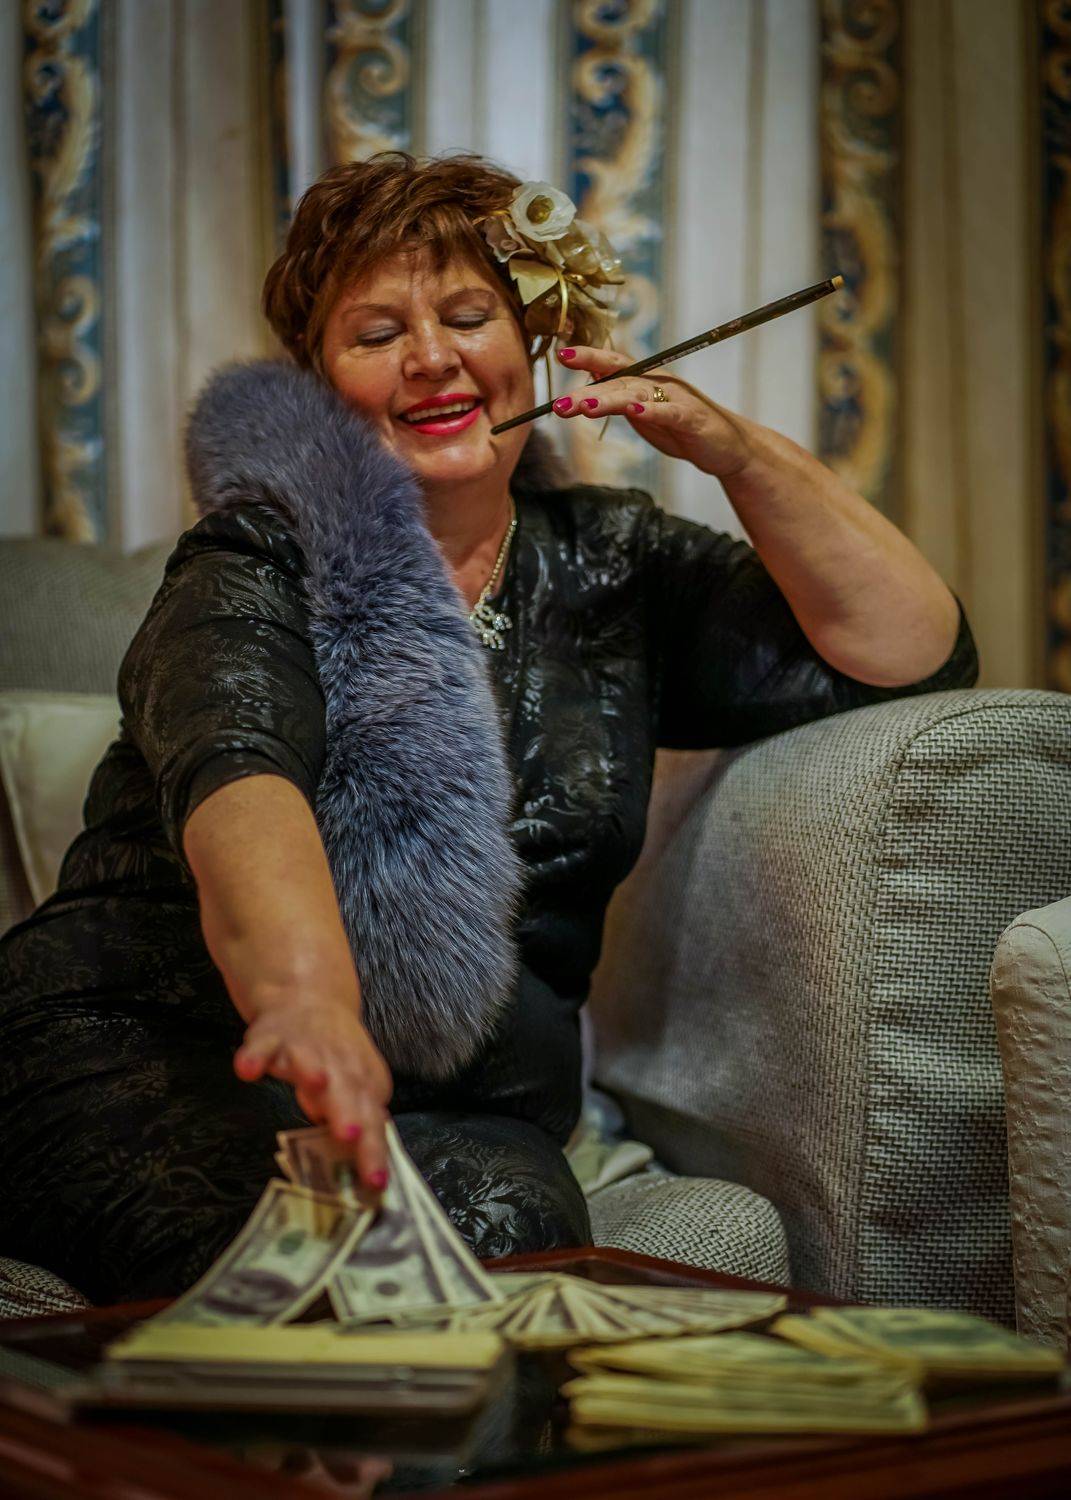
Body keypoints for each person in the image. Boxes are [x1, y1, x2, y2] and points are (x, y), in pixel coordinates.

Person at [0, 152, 978, 1305]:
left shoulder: (614, 562)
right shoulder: (256, 554)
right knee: (305, 1276)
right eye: (377, 333)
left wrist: (733, 451)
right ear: (318, 384)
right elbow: (239, 777)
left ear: (534, 343)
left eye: (468, 317)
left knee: (518, 1233)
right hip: (154, 1047)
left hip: (465, 1105)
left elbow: (912, 649)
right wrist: (307, 1000)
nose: (432, 357)